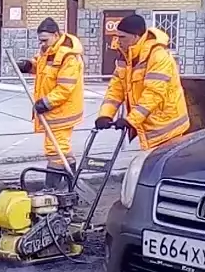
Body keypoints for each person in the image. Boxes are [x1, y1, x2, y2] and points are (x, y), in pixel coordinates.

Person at [95, 13, 189, 152]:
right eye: (117, 36)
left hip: (168, 127)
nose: (118, 41)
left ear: (136, 37)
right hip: (148, 126)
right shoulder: (125, 56)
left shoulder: (158, 56)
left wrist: (131, 120)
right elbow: (115, 89)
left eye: (122, 37)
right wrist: (105, 114)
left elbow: (153, 94)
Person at [18, 17, 85, 184]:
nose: (42, 43)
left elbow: (64, 88)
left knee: (54, 149)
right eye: (40, 40)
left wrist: (45, 103)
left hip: (62, 111)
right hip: (53, 110)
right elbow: (40, 67)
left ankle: (52, 187)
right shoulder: (47, 50)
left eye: (45, 40)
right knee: (62, 149)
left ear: (56, 35)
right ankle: (71, 182)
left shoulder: (68, 57)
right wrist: (28, 66)